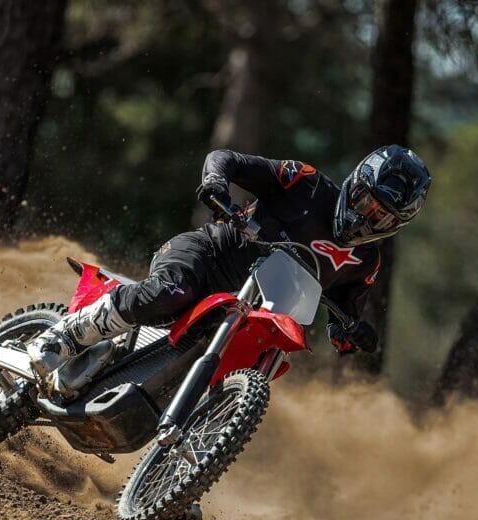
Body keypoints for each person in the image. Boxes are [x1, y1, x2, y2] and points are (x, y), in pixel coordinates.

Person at [28, 145, 432, 390]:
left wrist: (352, 334)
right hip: (208, 256)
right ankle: (64, 336)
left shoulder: (366, 262)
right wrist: (216, 183)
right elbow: (226, 159)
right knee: (172, 291)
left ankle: (184, 473)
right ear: (355, 184)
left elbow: (343, 315)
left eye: (382, 219)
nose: (367, 219)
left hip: (252, 315)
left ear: (396, 227)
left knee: (250, 367)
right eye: (367, 204)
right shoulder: (305, 182)